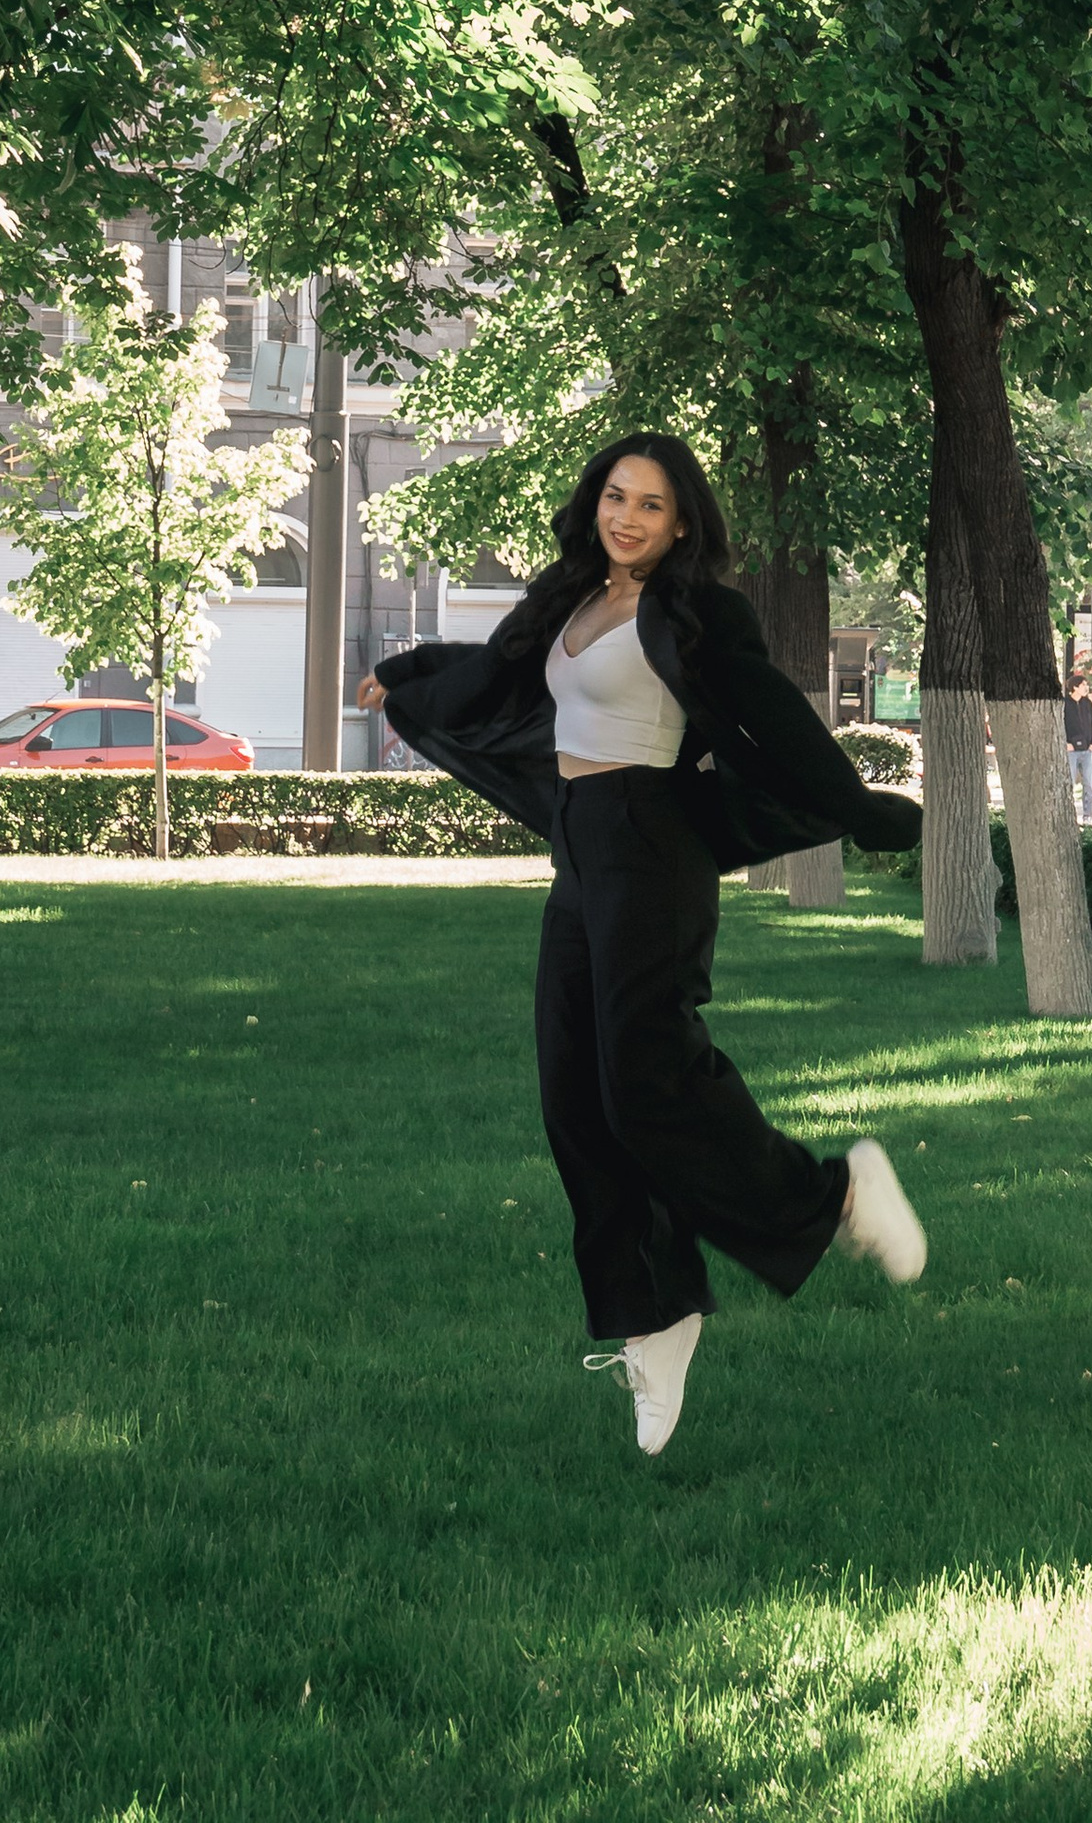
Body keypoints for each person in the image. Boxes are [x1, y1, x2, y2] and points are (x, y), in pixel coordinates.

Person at [357, 432, 928, 1461]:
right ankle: (653, 1316)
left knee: (648, 1075)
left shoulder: (699, 612)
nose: (628, 518)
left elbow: (772, 719)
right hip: (581, 851)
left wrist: (861, 809)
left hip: (652, 845)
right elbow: (494, 680)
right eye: (617, 497)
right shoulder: (569, 600)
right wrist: (405, 674)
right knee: (576, 1097)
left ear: (682, 523)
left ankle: (835, 1192)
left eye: (652, 506)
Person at [1063, 674, 1092, 825]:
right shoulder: (1065, 704)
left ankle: (1087, 816)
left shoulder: (1087, 703)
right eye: (1084, 685)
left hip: (1087, 750)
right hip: (1071, 750)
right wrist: (1066, 742)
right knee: (1069, 782)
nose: (1086, 687)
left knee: (1088, 784)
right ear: (1075, 687)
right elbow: (1061, 724)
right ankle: (1068, 815)